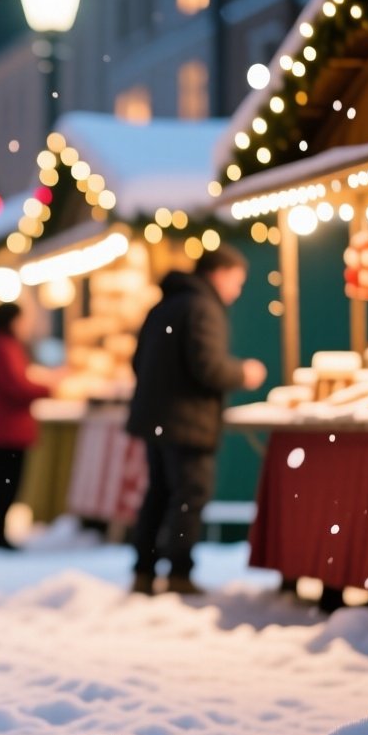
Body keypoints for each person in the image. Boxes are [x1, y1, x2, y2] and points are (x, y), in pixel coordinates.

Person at [126, 250, 266, 596]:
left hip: (156, 418)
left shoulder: (164, 305)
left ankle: (144, 572)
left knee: (158, 494)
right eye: (237, 282)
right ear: (218, 274)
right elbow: (208, 366)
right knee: (189, 497)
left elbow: (137, 360)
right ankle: (179, 574)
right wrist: (244, 373)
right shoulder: (203, 307)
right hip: (188, 421)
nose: (237, 291)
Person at [0, 303, 54, 551]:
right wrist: (48, 387)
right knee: (4, 482)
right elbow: (15, 386)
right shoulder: (2, 347)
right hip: (6, 427)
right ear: (12, 321)